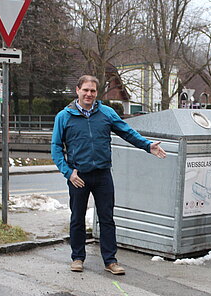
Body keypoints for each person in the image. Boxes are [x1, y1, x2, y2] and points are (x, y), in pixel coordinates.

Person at [51, 75, 167, 275]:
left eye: (93, 91)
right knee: (77, 217)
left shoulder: (106, 113)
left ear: (97, 93)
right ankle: (77, 258)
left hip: (102, 174)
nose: (89, 94)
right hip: (78, 176)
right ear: (77, 90)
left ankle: (110, 261)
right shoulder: (64, 116)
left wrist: (148, 146)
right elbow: (55, 147)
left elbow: (127, 132)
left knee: (107, 218)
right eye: (85, 90)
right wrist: (68, 172)